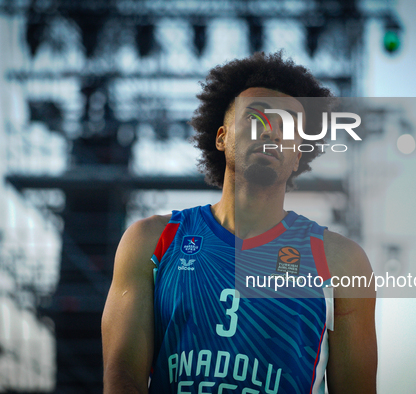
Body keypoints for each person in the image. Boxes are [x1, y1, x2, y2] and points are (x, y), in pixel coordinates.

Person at [102, 51, 377, 394]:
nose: (270, 133)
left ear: (298, 155)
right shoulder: (153, 241)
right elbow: (122, 377)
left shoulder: (341, 261)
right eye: (256, 119)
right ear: (221, 138)